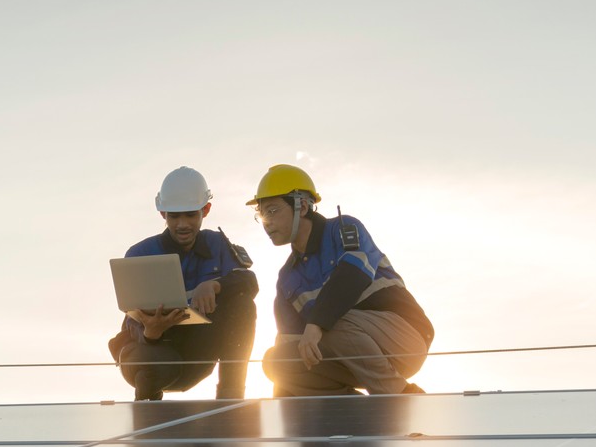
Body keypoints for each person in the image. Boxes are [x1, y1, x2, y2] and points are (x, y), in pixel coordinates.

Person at [248, 164, 434, 396]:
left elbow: (353, 274)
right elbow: (289, 345)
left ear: (302, 206)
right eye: (261, 214)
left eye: (273, 211)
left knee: (328, 319)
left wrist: (316, 325)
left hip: (405, 339)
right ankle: (350, 412)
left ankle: (399, 394)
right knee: (277, 362)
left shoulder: (343, 229)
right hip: (353, 358)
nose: (267, 222)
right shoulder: (287, 278)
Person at [106, 166, 259, 401]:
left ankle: (231, 402)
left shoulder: (217, 243)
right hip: (151, 352)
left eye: (190, 214)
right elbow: (131, 320)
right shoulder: (140, 253)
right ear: (162, 214)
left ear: (205, 210)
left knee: (243, 305)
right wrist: (151, 333)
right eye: (174, 216)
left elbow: (249, 283)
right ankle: (148, 418)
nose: (182, 224)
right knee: (151, 365)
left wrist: (215, 285)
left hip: (197, 352)